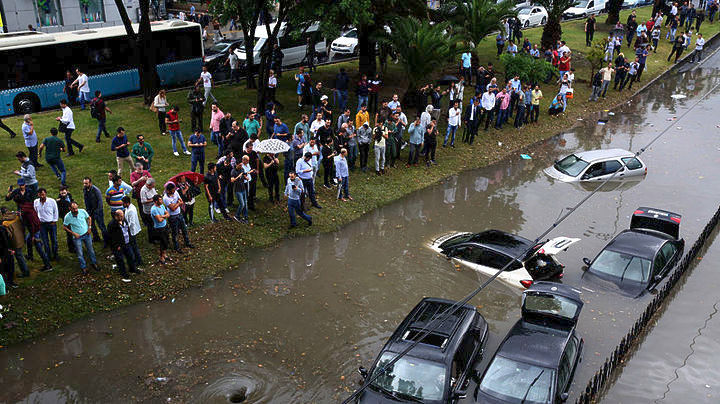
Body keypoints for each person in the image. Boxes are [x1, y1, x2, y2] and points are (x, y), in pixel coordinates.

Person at [62, 201, 99, 274]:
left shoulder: (82, 211)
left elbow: (89, 218)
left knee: (90, 250)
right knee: (80, 253)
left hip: (86, 234)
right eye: (73, 209)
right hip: (77, 237)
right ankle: (83, 267)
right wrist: (73, 233)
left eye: (76, 208)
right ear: (70, 208)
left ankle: (94, 263)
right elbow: (64, 227)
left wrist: (89, 227)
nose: (76, 210)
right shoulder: (67, 216)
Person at [107, 209, 137, 282]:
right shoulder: (112, 225)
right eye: (121, 216)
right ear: (116, 216)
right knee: (120, 260)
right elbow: (110, 237)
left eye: (123, 216)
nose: (122, 217)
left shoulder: (124, 221)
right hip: (118, 246)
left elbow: (127, 230)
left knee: (130, 256)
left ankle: (132, 269)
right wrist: (116, 246)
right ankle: (124, 274)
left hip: (126, 243)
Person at [163, 183, 194, 252]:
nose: (174, 191)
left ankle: (187, 243)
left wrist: (176, 204)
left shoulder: (176, 192)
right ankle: (176, 247)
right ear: (168, 191)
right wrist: (178, 203)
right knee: (175, 232)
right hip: (172, 217)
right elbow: (172, 209)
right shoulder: (165, 198)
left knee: (184, 230)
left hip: (179, 214)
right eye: (173, 190)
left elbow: (181, 201)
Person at [34, 188, 59, 263]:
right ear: (38, 195)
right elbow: (35, 211)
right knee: (45, 241)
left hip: (51, 223)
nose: (42, 196)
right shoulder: (36, 202)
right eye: (40, 195)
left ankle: (55, 255)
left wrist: (54, 221)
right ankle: (48, 256)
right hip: (42, 225)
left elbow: (56, 211)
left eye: (43, 194)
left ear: (45, 194)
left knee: (54, 240)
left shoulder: (52, 201)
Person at [82, 177, 107, 245]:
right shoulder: (85, 189)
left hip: (97, 211)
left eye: (86, 183)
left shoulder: (96, 190)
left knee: (101, 226)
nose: (85, 184)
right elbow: (86, 200)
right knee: (92, 225)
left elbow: (100, 202)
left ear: (90, 183)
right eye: (84, 183)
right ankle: (96, 237)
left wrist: (97, 211)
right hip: (90, 211)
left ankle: (106, 240)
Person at [149, 194, 170, 264]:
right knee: (162, 242)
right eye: (160, 200)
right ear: (155, 201)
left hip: (165, 226)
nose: (161, 201)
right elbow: (159, 220)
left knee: (166, 241)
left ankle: (164, 254)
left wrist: (162, 216)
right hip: (159, 229)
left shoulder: (162, 206)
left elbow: (168, 214)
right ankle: (161, 257)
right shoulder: (154, 209)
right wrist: (164, 216)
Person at [231, 159, 250, 223]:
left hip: (243, 188)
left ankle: (245, 216)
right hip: (237, 190)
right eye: (240, 165)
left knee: (245, 203)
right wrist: (238, 177)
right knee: (242, 204)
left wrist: (246, 177)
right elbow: (232, 180)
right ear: (236, 165)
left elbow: (244, 174)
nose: (241, 166)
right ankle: (237, 216)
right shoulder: (233, 171)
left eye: (242, 165)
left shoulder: (242, 169)